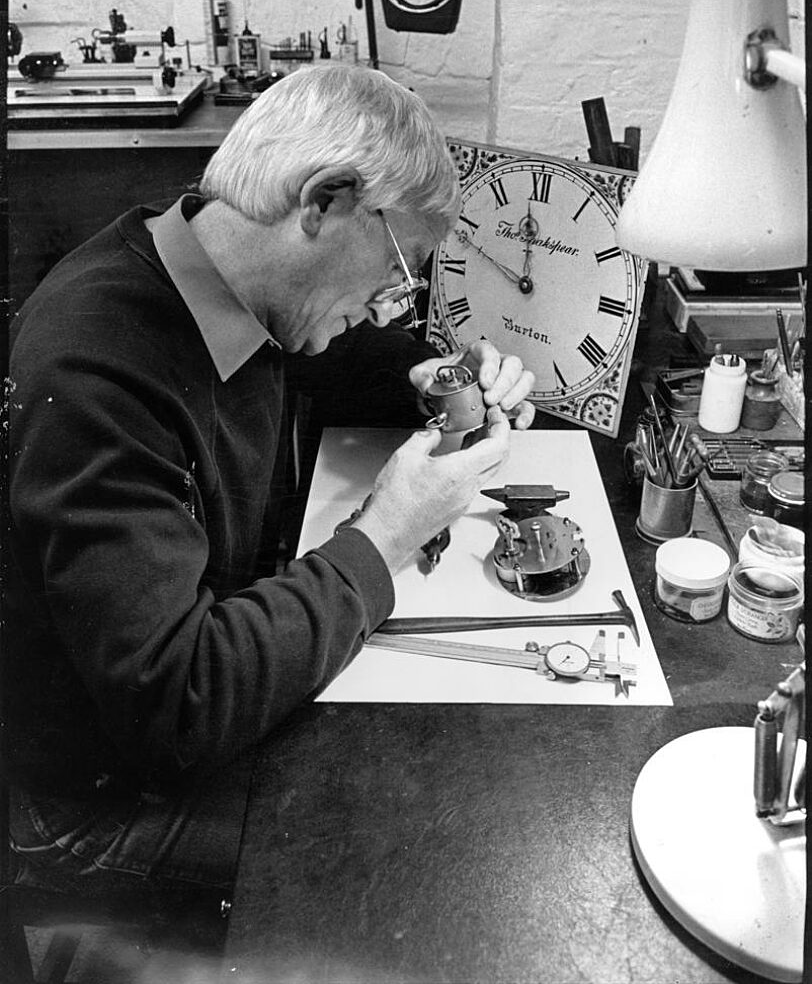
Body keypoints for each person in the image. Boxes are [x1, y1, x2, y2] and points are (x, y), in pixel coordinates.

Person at [5, 64, 535, 901]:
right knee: (432, 855)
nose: (392, 302)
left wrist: (431, 374)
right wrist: (384, 537)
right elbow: (181, 703)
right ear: (322, 202)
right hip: (98, 798)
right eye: (395, 268)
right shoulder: (99, 370)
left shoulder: (223, 270)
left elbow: (316, 355)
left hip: (186, 700)